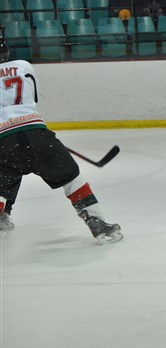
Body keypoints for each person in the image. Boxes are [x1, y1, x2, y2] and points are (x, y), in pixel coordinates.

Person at [0, 37, 123, 244]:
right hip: (36, 134)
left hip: (3, 141)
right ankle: (95, 220)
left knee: (3, 181)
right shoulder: (24, 66)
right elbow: (32, 98)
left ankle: (1, 219)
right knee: (71, 178)